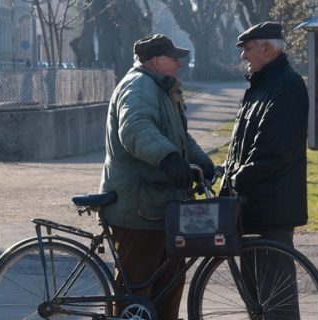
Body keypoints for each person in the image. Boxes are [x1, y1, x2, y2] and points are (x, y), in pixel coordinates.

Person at [99, 34, 214, 319]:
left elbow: (180, 136)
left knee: (168, 287)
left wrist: (202, 162)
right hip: (139, 209)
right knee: (136, 293)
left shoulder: (161, 89)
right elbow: (135, 129)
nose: (180, 63)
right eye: (174, 58)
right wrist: (170, 160)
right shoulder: (138, 87)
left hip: (162, 206)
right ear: (155, 60)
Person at [220, 21, 309, 317]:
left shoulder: (286, 85)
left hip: (272, 208)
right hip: (252, 206)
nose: (244, 57)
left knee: (276, 301)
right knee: (257, 301)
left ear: (267, 49)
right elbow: (241, 146)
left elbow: (274, 151)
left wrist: (235, 178)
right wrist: (226, 175)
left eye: (247, 49)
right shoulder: (261, 85)